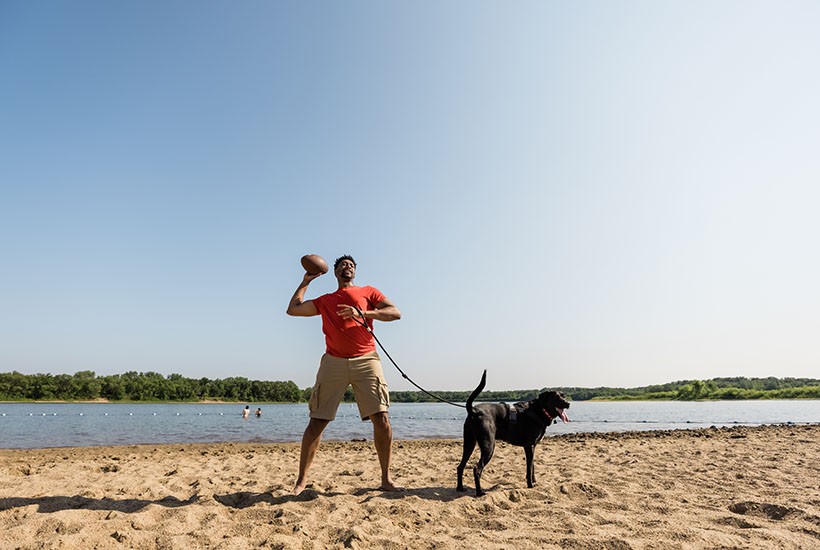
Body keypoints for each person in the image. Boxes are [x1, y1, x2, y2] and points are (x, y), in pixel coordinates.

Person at [286, 254, 402, 495]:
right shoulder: (326, 300)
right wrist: (306, 281)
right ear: (336, 272)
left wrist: (363, 314)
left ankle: (386, 479)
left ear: (354, 273)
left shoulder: (369, 292)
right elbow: (293, 310)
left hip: (367, 360)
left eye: (351, 265)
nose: (347, 267)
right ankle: (301, 480)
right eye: (342, 265)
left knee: (382, 419)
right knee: (317, 421)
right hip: (333, 362)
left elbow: (395, 313)